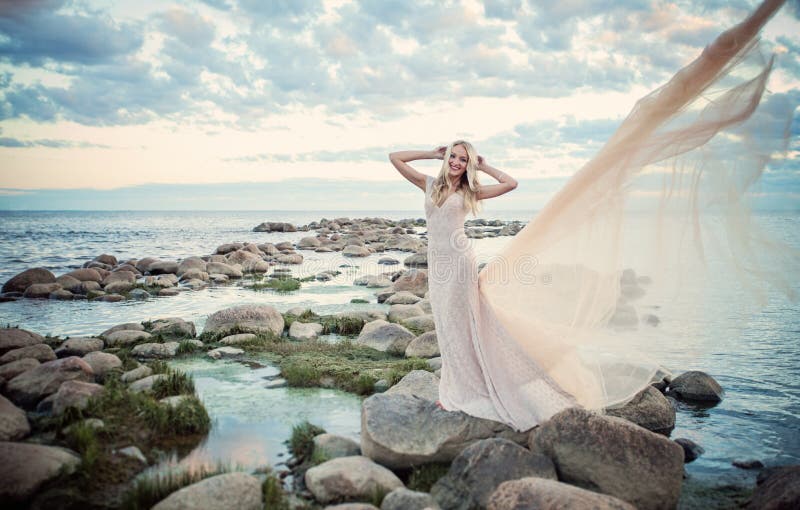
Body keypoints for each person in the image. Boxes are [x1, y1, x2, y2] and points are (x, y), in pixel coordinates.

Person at [387, 0, 797, 433]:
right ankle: (456, 386)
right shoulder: (430, 186)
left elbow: (512, 184)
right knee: (447, 326)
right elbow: (395, 157)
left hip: (463, 263)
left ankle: (468, 391)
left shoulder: (471, 189)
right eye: (452, 155)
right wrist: (430, 151)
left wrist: (482, 164)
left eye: (459, 157)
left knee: (465, 325)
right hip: (439, 265)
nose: (454, 161)